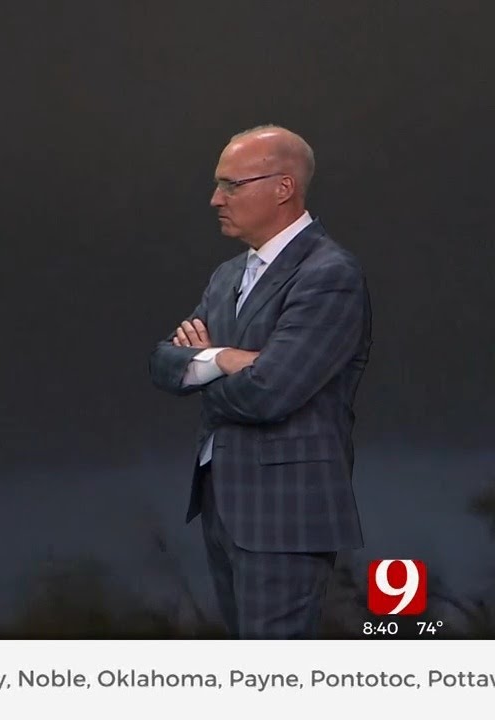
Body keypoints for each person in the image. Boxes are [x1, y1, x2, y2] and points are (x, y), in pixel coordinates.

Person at [148, 125, 372, 639]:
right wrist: (227, 358)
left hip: (285, 510)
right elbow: (162, 362)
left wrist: (200, 363)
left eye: (231, 185)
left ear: (283, 187)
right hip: (222, 502)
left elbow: (270, 392)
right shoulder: (227, 276)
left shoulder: (329, 274)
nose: (214, 199)